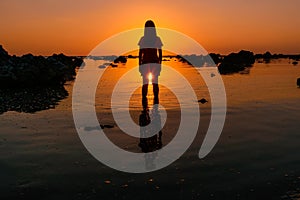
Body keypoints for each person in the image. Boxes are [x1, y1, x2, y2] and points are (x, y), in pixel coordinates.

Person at [138, 20, 163, 104]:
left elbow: (160, 53)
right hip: (146, 63)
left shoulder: (157, 38)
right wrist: (139, 65)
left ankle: (155, 104)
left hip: (153, 63)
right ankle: (146, 106)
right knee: (146, 84)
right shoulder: (143, 39)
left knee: (154, 84)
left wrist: (160, 64)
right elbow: (140, 53)